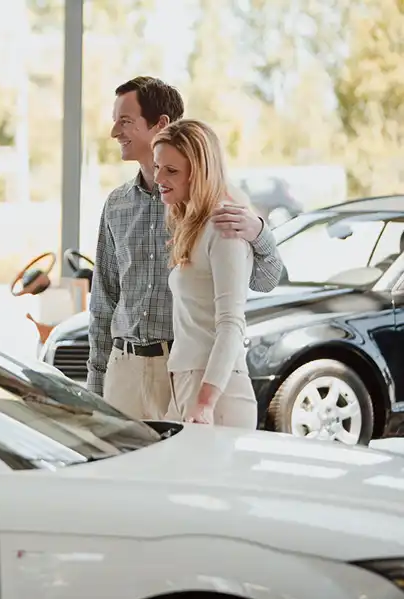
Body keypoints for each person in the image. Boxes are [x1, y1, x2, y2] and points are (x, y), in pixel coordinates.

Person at [86, 76, 284, 420]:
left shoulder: (214, 205)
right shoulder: (116, 204)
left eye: (125, 121)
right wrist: (96, 379)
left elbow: (264, 281)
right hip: (125, 369)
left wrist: (259, 232)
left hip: (183, 368)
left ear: (161, 124)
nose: (114, 131)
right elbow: (104, 299)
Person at [153, 119, 256, 427]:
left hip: (217, 397)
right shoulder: (192, 223)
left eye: (171, 171)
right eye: (158, 167)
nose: (159, 177)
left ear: (199, 174)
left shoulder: (224, 227)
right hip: (187, 384)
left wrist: (205, 402)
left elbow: (231, 324)